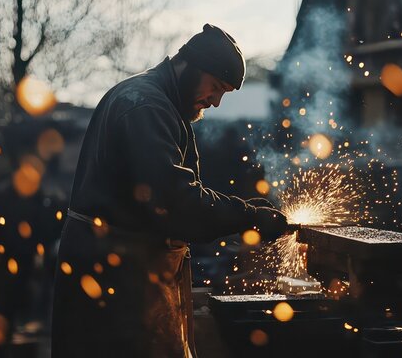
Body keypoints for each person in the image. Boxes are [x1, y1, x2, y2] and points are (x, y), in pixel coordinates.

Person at [51, 24, 289, 358]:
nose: (216, 102)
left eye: (225, 94)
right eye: (216, 87)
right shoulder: (146, 106)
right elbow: (175, 203)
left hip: (122, 277)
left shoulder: (154, 100)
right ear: (189, 66)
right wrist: (248, 216)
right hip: (116, 283)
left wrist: (244, 210)